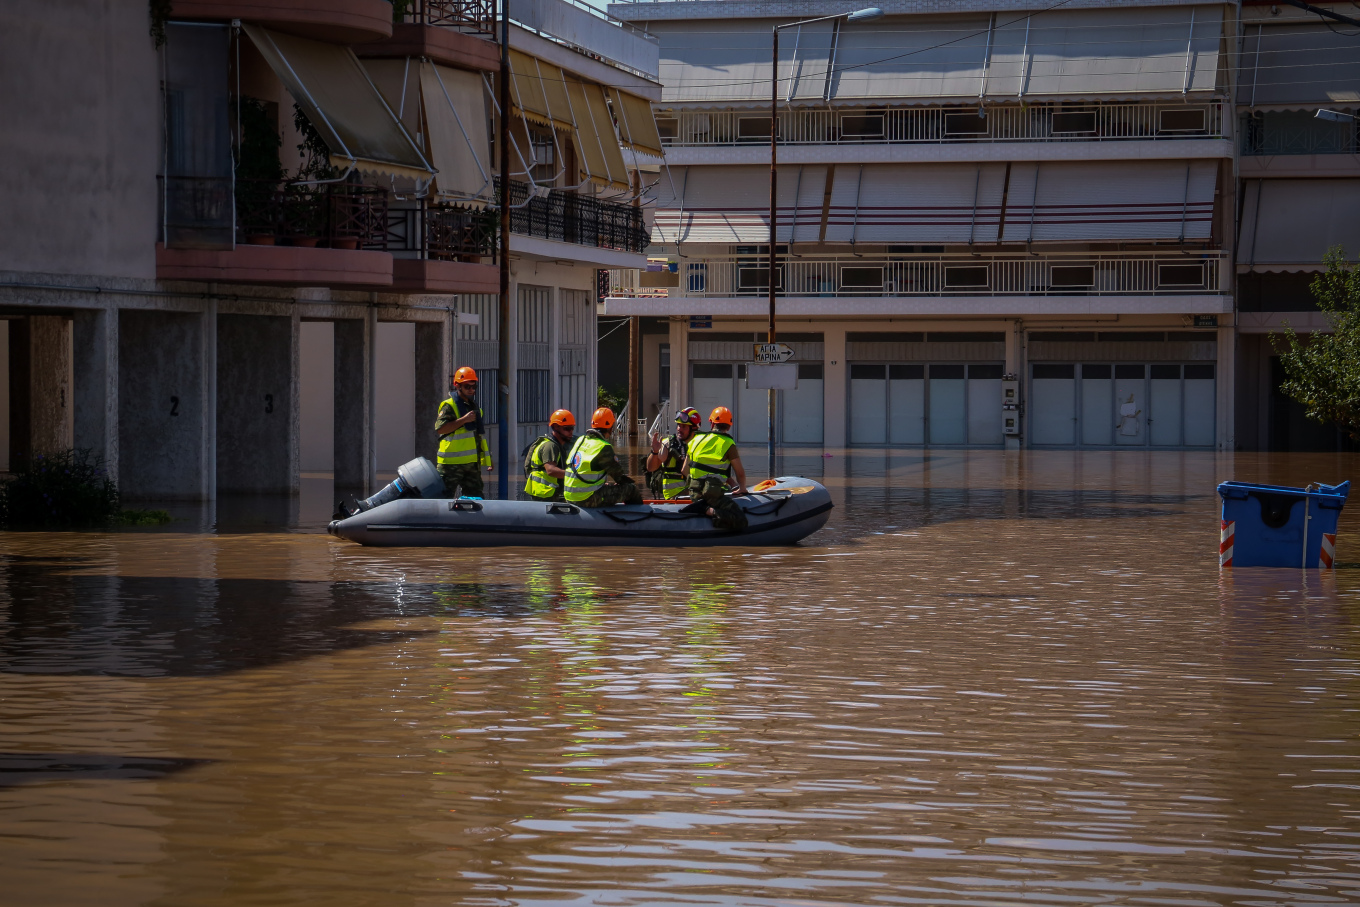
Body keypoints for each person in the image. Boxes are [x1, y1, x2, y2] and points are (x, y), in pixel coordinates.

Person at [682, 405, 749, 531]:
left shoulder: (695, 440)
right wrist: (742, 489)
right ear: (729, 426)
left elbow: (684, 470)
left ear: (711, 423)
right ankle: (708, 511)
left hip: (694, 494)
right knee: (740, 520)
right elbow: (740, 473)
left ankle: (701, 507)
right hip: (712, 495)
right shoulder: (728, 444)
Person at [563, 407, 644, 507]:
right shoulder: (603, 447)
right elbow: (619, 476)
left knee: (609, 486)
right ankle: (640, 516)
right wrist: (627, 482)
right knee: (631, 489)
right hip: (586, 499)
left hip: (569, 496)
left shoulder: (581, 440)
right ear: (611, 428)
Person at [435, 367, 492, 498]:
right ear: (457, 385)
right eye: (467, 386)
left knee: (476, 498)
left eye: (474, 386)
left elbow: (478, 436)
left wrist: (487, 459)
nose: (471, 390)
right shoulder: (448, 405)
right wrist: (463, 420)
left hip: (471, 463)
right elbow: (440, 429)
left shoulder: (474, 406)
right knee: (443, 499)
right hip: (450, 465)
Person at [646, 407, 702, 500]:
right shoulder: (667, 444)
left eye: (683, 426)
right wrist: (655, 452)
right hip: (675, 495)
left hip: (693, 491)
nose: (679, 429)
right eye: (678, 425)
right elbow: (651, 468)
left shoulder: (701, 443)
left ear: (693, 428)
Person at [523, 409, 575, 501]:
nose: (571, 432)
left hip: (546, 493)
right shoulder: (550, 446)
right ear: (555, 427)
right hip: (546, 494)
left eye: (572, 428)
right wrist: (575, 476)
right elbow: (551, 470)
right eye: (567, 428)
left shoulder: (557, 445)